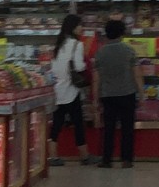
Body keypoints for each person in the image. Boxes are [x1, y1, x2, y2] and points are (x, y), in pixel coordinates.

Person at [92, 17, 141, 168]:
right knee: (127, 128)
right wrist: (141, 93)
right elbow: (136, 74)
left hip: (108, 95)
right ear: (122, 33)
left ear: (106, 33)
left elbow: (96, 78)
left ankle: (106, 159)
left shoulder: (100, 53)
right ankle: (127, 159)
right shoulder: (129, 50)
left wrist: (95, 98)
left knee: (109, 128)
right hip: (127, 93)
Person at [48, 12, 93, 166]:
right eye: (80, 25)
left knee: (57, 124)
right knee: (78, 124)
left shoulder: (58, 45)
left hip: (58, 90)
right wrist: (87, 64)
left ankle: (52, 156)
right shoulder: (77, 44)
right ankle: (85, 156)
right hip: (71, 90)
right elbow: (79, 67)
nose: (81, 28)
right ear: (73, 27)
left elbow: (54, 68)